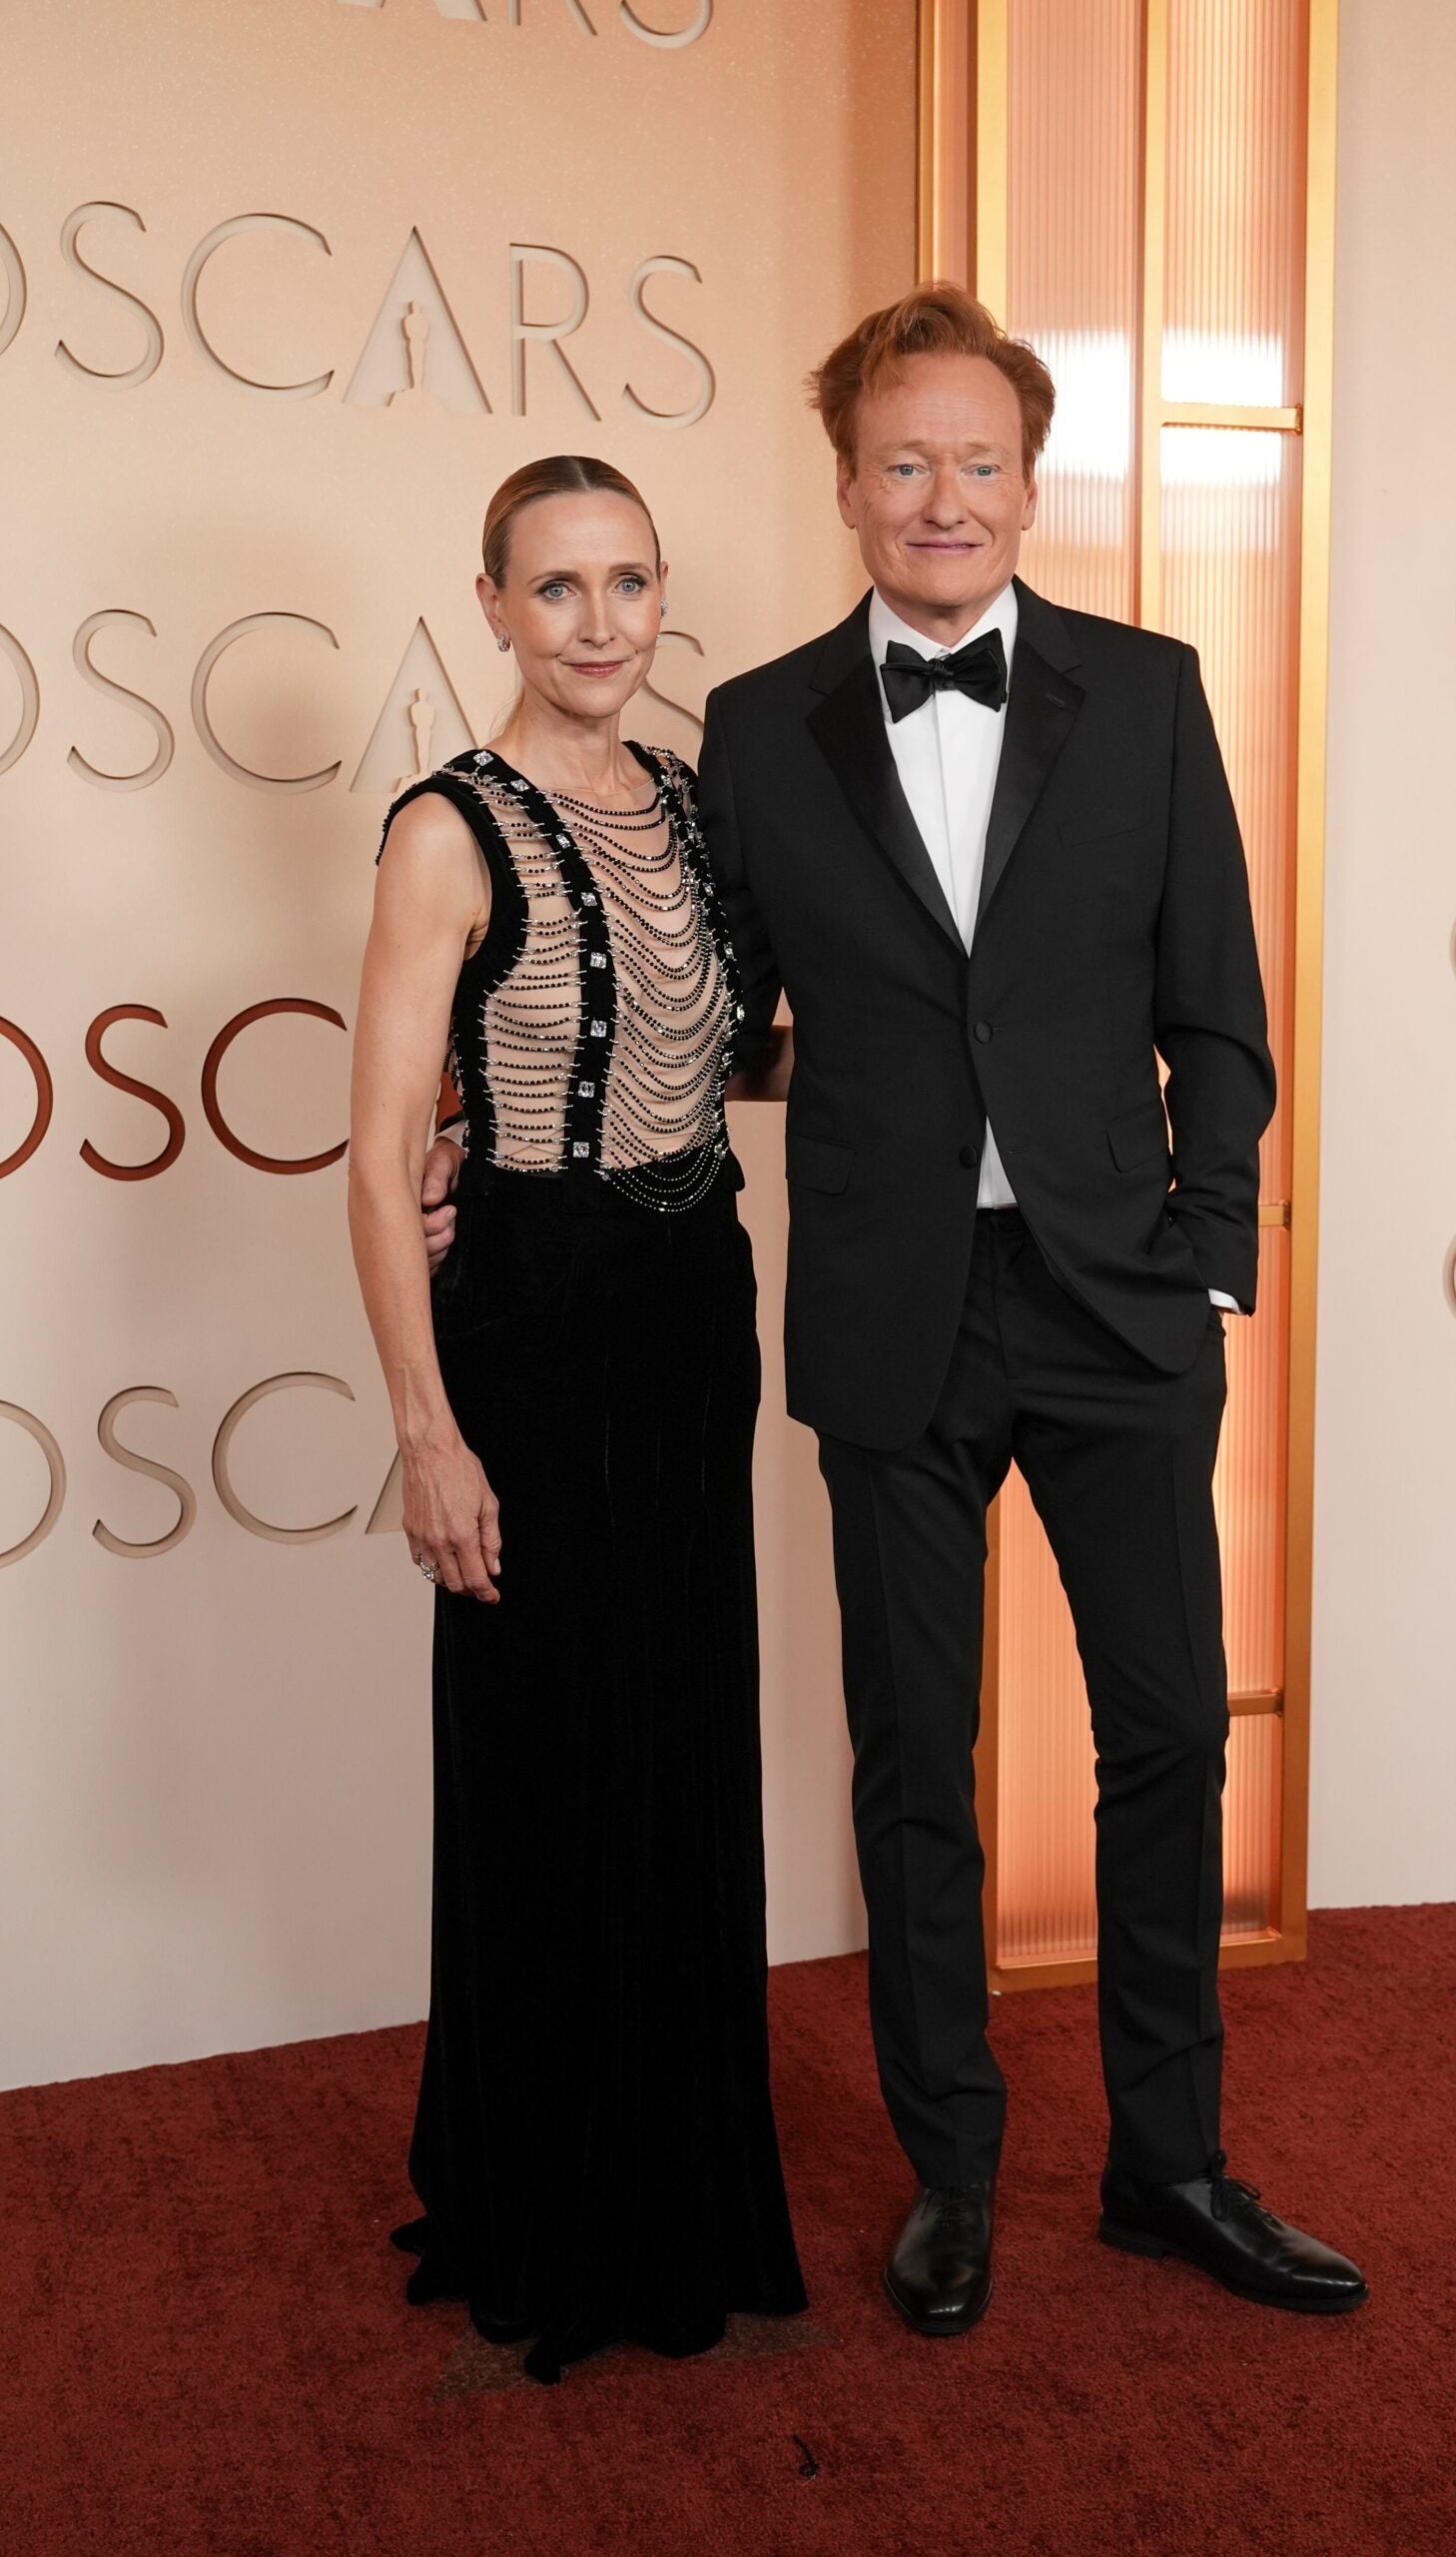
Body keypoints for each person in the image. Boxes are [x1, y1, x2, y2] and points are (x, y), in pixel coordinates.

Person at [422, 288, 1366, 2338]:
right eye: (900, 459)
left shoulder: (1147, 686)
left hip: (1120, 1305)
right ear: (844, 481)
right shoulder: (752, 728)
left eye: (979, 460)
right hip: (887, 1307)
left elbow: (1215, 997)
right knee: (905, 1758)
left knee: (1163, 1739)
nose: (941, 494)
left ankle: (1170, 2163)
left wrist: (1211, 1247)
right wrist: (472, 1134)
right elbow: (699, 1003)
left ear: (1031, 482)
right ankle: (953, 2169)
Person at [349, 454, 805, 2383]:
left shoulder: (702, 813)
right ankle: (548, 2198)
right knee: (548, 1765)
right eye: (556, 588)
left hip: (697, 1313)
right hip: (530, 1332)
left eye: (627, 583)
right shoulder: (446, 829)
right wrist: (431, 1433)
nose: (599, 622)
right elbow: (380, 1161)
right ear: (493, 605)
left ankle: (678, 2188)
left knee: (681, 1746)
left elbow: (720, 1052)